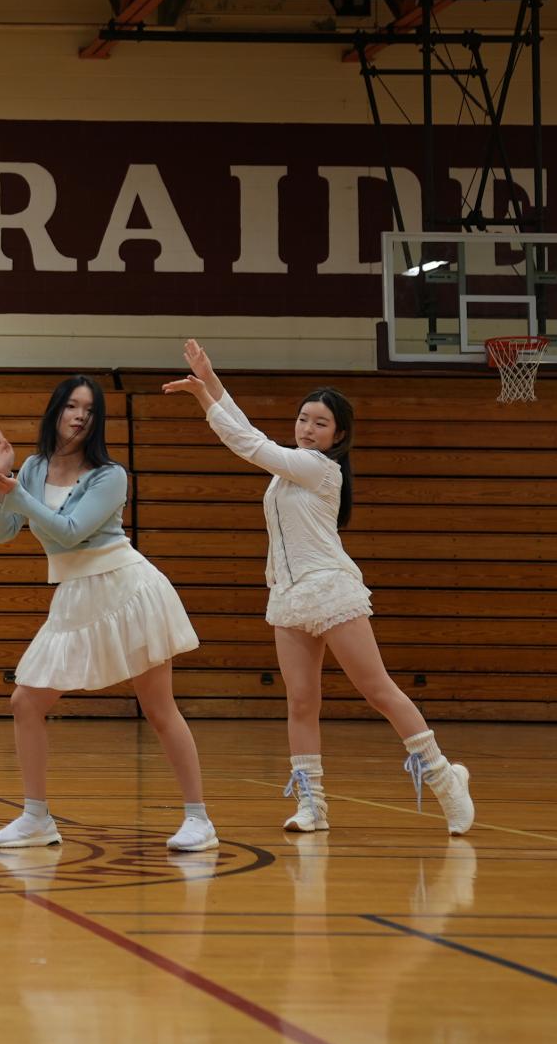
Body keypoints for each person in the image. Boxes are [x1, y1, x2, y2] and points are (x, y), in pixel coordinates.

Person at [163, 339, 474, 834]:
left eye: (320, 423)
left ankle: (445, 781)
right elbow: (251, 432)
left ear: (338, 436)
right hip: (287, 597)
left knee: (377, 690)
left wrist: (205, 397)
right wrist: (211, 380)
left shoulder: (319, 469)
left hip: (330, 590)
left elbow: (247, 443)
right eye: (304, 419)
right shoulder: (289, 468)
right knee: (301, 701)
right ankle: (313, 804)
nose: (308, 429)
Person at [0, 375, 217, 852]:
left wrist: (17, 493)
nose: (80, 415)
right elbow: (3, 532)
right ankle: (37, 818)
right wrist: (3, 481)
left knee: (158, 707)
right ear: (56, 412)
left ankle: (199, 820)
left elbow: (69, 531)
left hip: (127, 590)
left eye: (88, 408)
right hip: (74, 594)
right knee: (26, 702)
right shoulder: (32, 467)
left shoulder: (110, 475)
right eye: (71, 406)